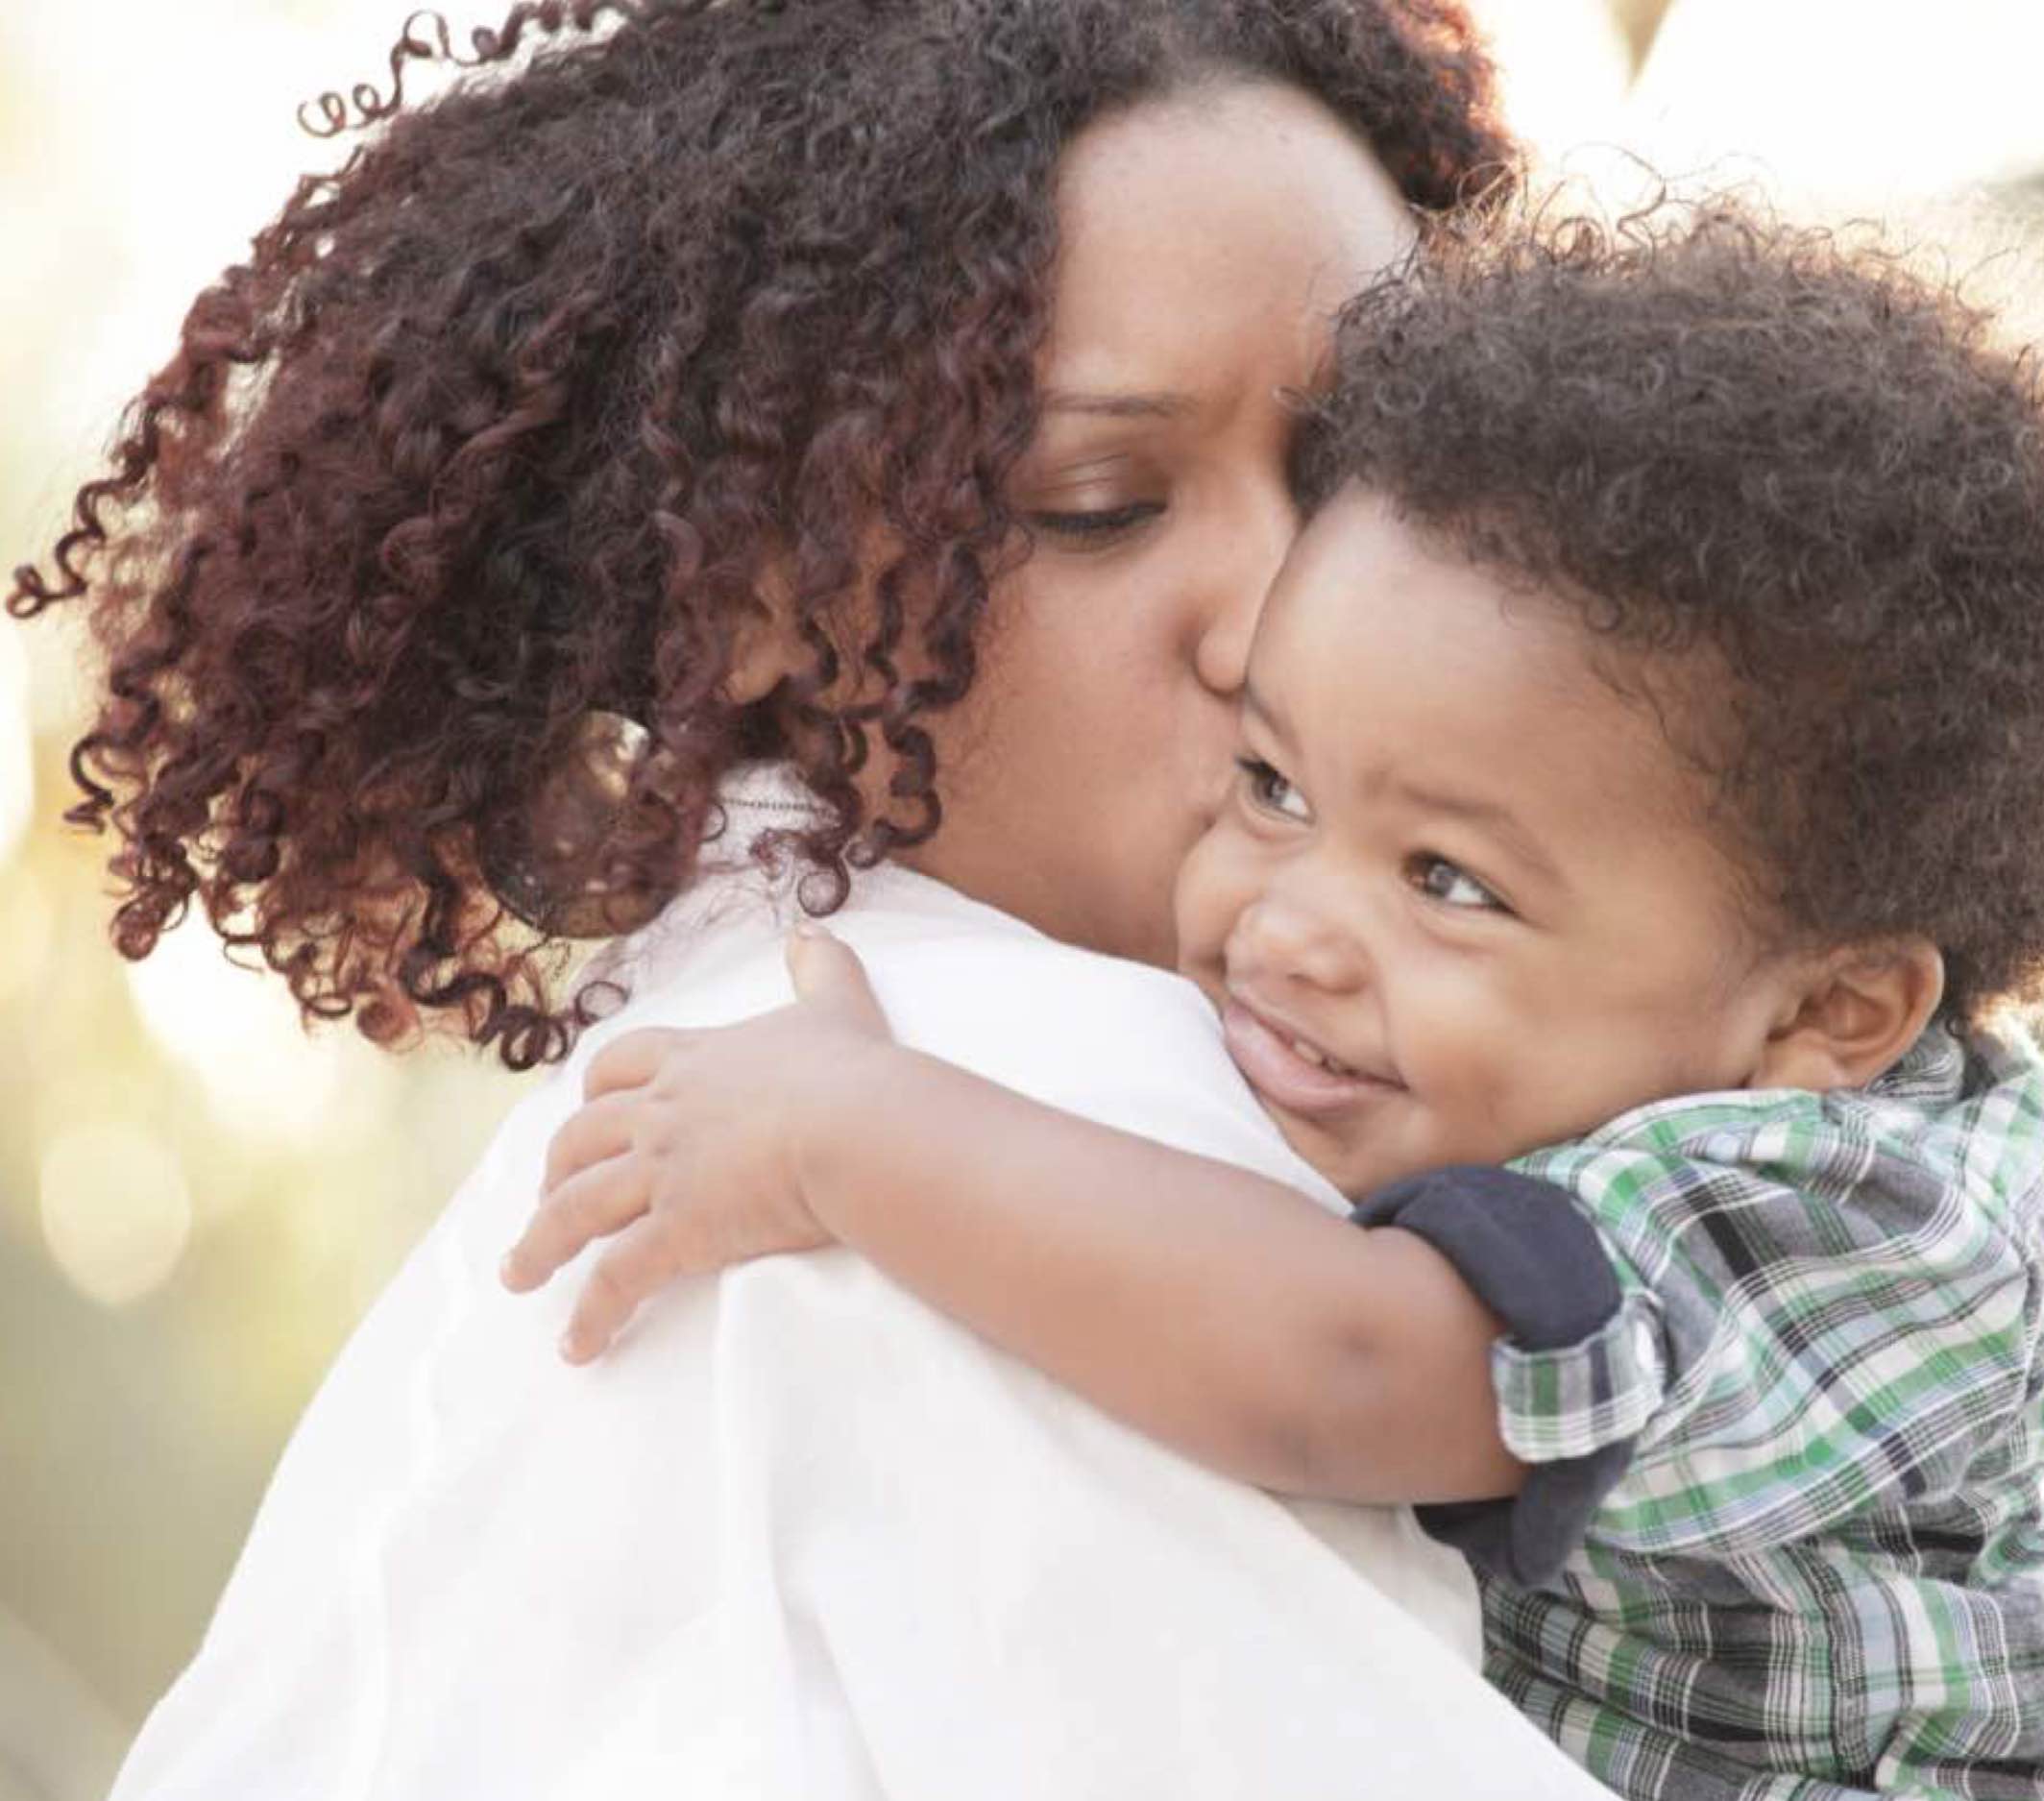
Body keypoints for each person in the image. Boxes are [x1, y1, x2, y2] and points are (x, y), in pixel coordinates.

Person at [12, 3, 1618, 1796]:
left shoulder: (745, 1068)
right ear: (740, 596)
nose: (1279, 614)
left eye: (1360, 469)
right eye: (1098, 503)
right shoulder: (996, 1126)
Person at [515, 196, 2044, 1797]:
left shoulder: (1823, 1214)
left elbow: (1340, 1364)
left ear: (1834, 1017)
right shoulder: (1589, 1059)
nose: (1290, 930)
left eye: (1449, 883)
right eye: (1274, 787)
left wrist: (856, 1133)